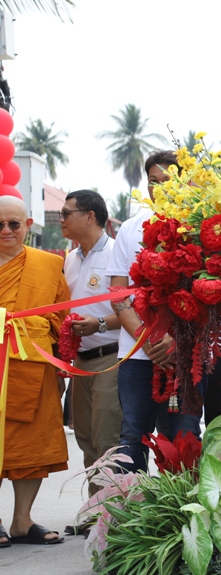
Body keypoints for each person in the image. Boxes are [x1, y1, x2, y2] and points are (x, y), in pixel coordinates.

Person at [109, 150, 204, 473]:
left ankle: (180, 516)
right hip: (136, 355)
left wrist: (177, 340)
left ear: (185, 183)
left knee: (183, 435)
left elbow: (213, 301)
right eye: (153, 182)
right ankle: (133, 516)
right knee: (133, 435)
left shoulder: (203, 229)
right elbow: (119, 296)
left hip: (187, 354)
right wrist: (146, 339)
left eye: (168, 180)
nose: (159, 188)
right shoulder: (130, 229)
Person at [0, 195, 70, 546]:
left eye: (14, 224)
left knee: (32, 447)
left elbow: (62, 316)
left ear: (28, 225)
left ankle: (22, 521)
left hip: (34, 367)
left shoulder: (47, 264)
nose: (6, 231)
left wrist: (40, 329)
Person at [61, 190, 123, 508]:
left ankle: (111, 513)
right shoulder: (69, 259)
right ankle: (96, 507)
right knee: (85, 436)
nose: (61, 220)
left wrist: (98, 325)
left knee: (106, 437)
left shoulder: (117, 255)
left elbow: (133, 309)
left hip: (110, 357)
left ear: (90, 216)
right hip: (79, 362)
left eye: (66, 213)